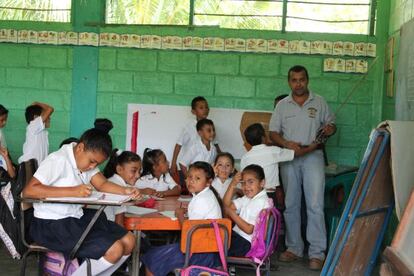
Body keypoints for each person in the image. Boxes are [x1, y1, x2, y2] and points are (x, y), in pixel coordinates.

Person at [22, 128, 141, 276]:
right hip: (51, 225)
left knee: (129, 241)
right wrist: (72, 191)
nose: (92, 167)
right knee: (115, 249)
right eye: (92, 162)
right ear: (80, 148)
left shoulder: (84, 159)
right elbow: (29, 191)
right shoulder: (58, 160)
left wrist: (126, 191)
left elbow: (102, 184)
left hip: (74, 219)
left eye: (96, 164)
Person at [269, 65, 336, 270]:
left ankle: (317, 253)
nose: (298, 83)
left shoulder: (320, 101)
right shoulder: (282, 105)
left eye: (302, 79)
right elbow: (273, 133)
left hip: (313, 156)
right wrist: (288, 144)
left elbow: (331, 125)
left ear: (307, 80)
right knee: (291, 204)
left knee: (315, 205)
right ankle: (294, 248)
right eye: (294, 80)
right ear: (289, 82)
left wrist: (329, 129)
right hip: (289, 157)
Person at [142, 161, 222, 276]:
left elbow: (188, 233)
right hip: (207, 249)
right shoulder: (206, 195)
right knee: (156, 254)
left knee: (152, 258)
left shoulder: (201, 199)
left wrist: (180, 215)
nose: (191, 181)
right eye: (189, 177)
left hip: (199, 253)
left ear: (208, 182)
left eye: (197, 178)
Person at [241, 123, 294, 208]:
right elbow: (293, 153)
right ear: (263, 137)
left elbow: (243, 177)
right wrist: (310, 147)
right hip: (270, 194)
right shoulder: (273, 151)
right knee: (269, 218)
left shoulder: (245, 157)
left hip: (252, 193)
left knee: (256, 218)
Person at [223, 164, 271, 257]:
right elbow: (226, 206)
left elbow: (249, 229)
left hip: (245, 244)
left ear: (262, 183)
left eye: (250, 182)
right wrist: (233, 184)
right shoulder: (249, 198)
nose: (246, 186)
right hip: (241, 239)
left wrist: (231, 213)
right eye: (243, 183)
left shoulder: (259, 201)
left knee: (214, 240)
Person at [170, 96, 220, 177]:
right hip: (191, 164)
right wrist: (173, 163)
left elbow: (216, 145)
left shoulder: (211, 127)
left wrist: (224, 159)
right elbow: (178, 145)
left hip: (206, 169)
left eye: (207, 107)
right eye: (201, 108)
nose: (205, 110)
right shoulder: (189, 127)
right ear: (193, 111)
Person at [103, 149, 142, 226]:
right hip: (107, 229)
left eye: (139, 171)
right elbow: (119, 224)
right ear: (119, 169)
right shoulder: (120, 189)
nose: (138, 175)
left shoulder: (112, 182)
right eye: (134, 171)